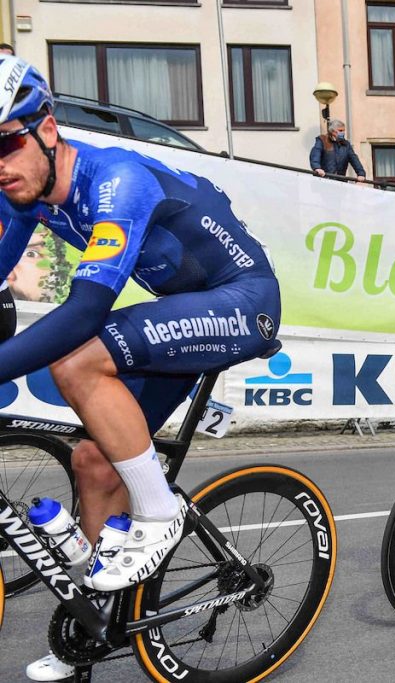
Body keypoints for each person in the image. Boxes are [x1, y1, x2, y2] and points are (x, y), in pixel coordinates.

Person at [0, 57, 280, 681]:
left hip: (246, 300)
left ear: (47, 129)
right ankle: (93, 629)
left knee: (77, 360)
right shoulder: (25, 196)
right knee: (93, 462)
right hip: (184, 311)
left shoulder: (117, 178)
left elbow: (85, 311)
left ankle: (159, 510)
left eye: (6, 142)